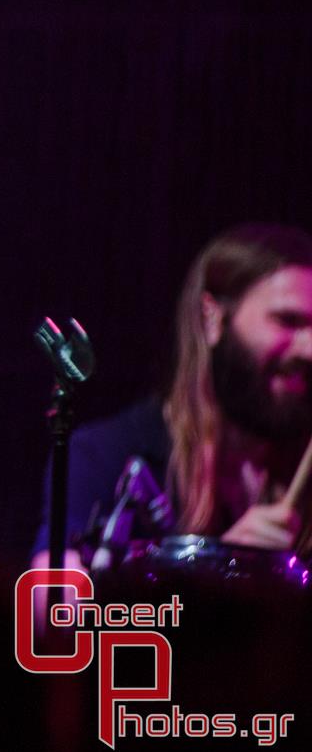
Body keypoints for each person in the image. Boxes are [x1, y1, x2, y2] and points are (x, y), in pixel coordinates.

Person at [30, 223, 312, 570]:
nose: (309, 348)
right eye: (288, 320)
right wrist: (221, 569)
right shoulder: (108, 454)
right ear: (211, 318)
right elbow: (49, 603)